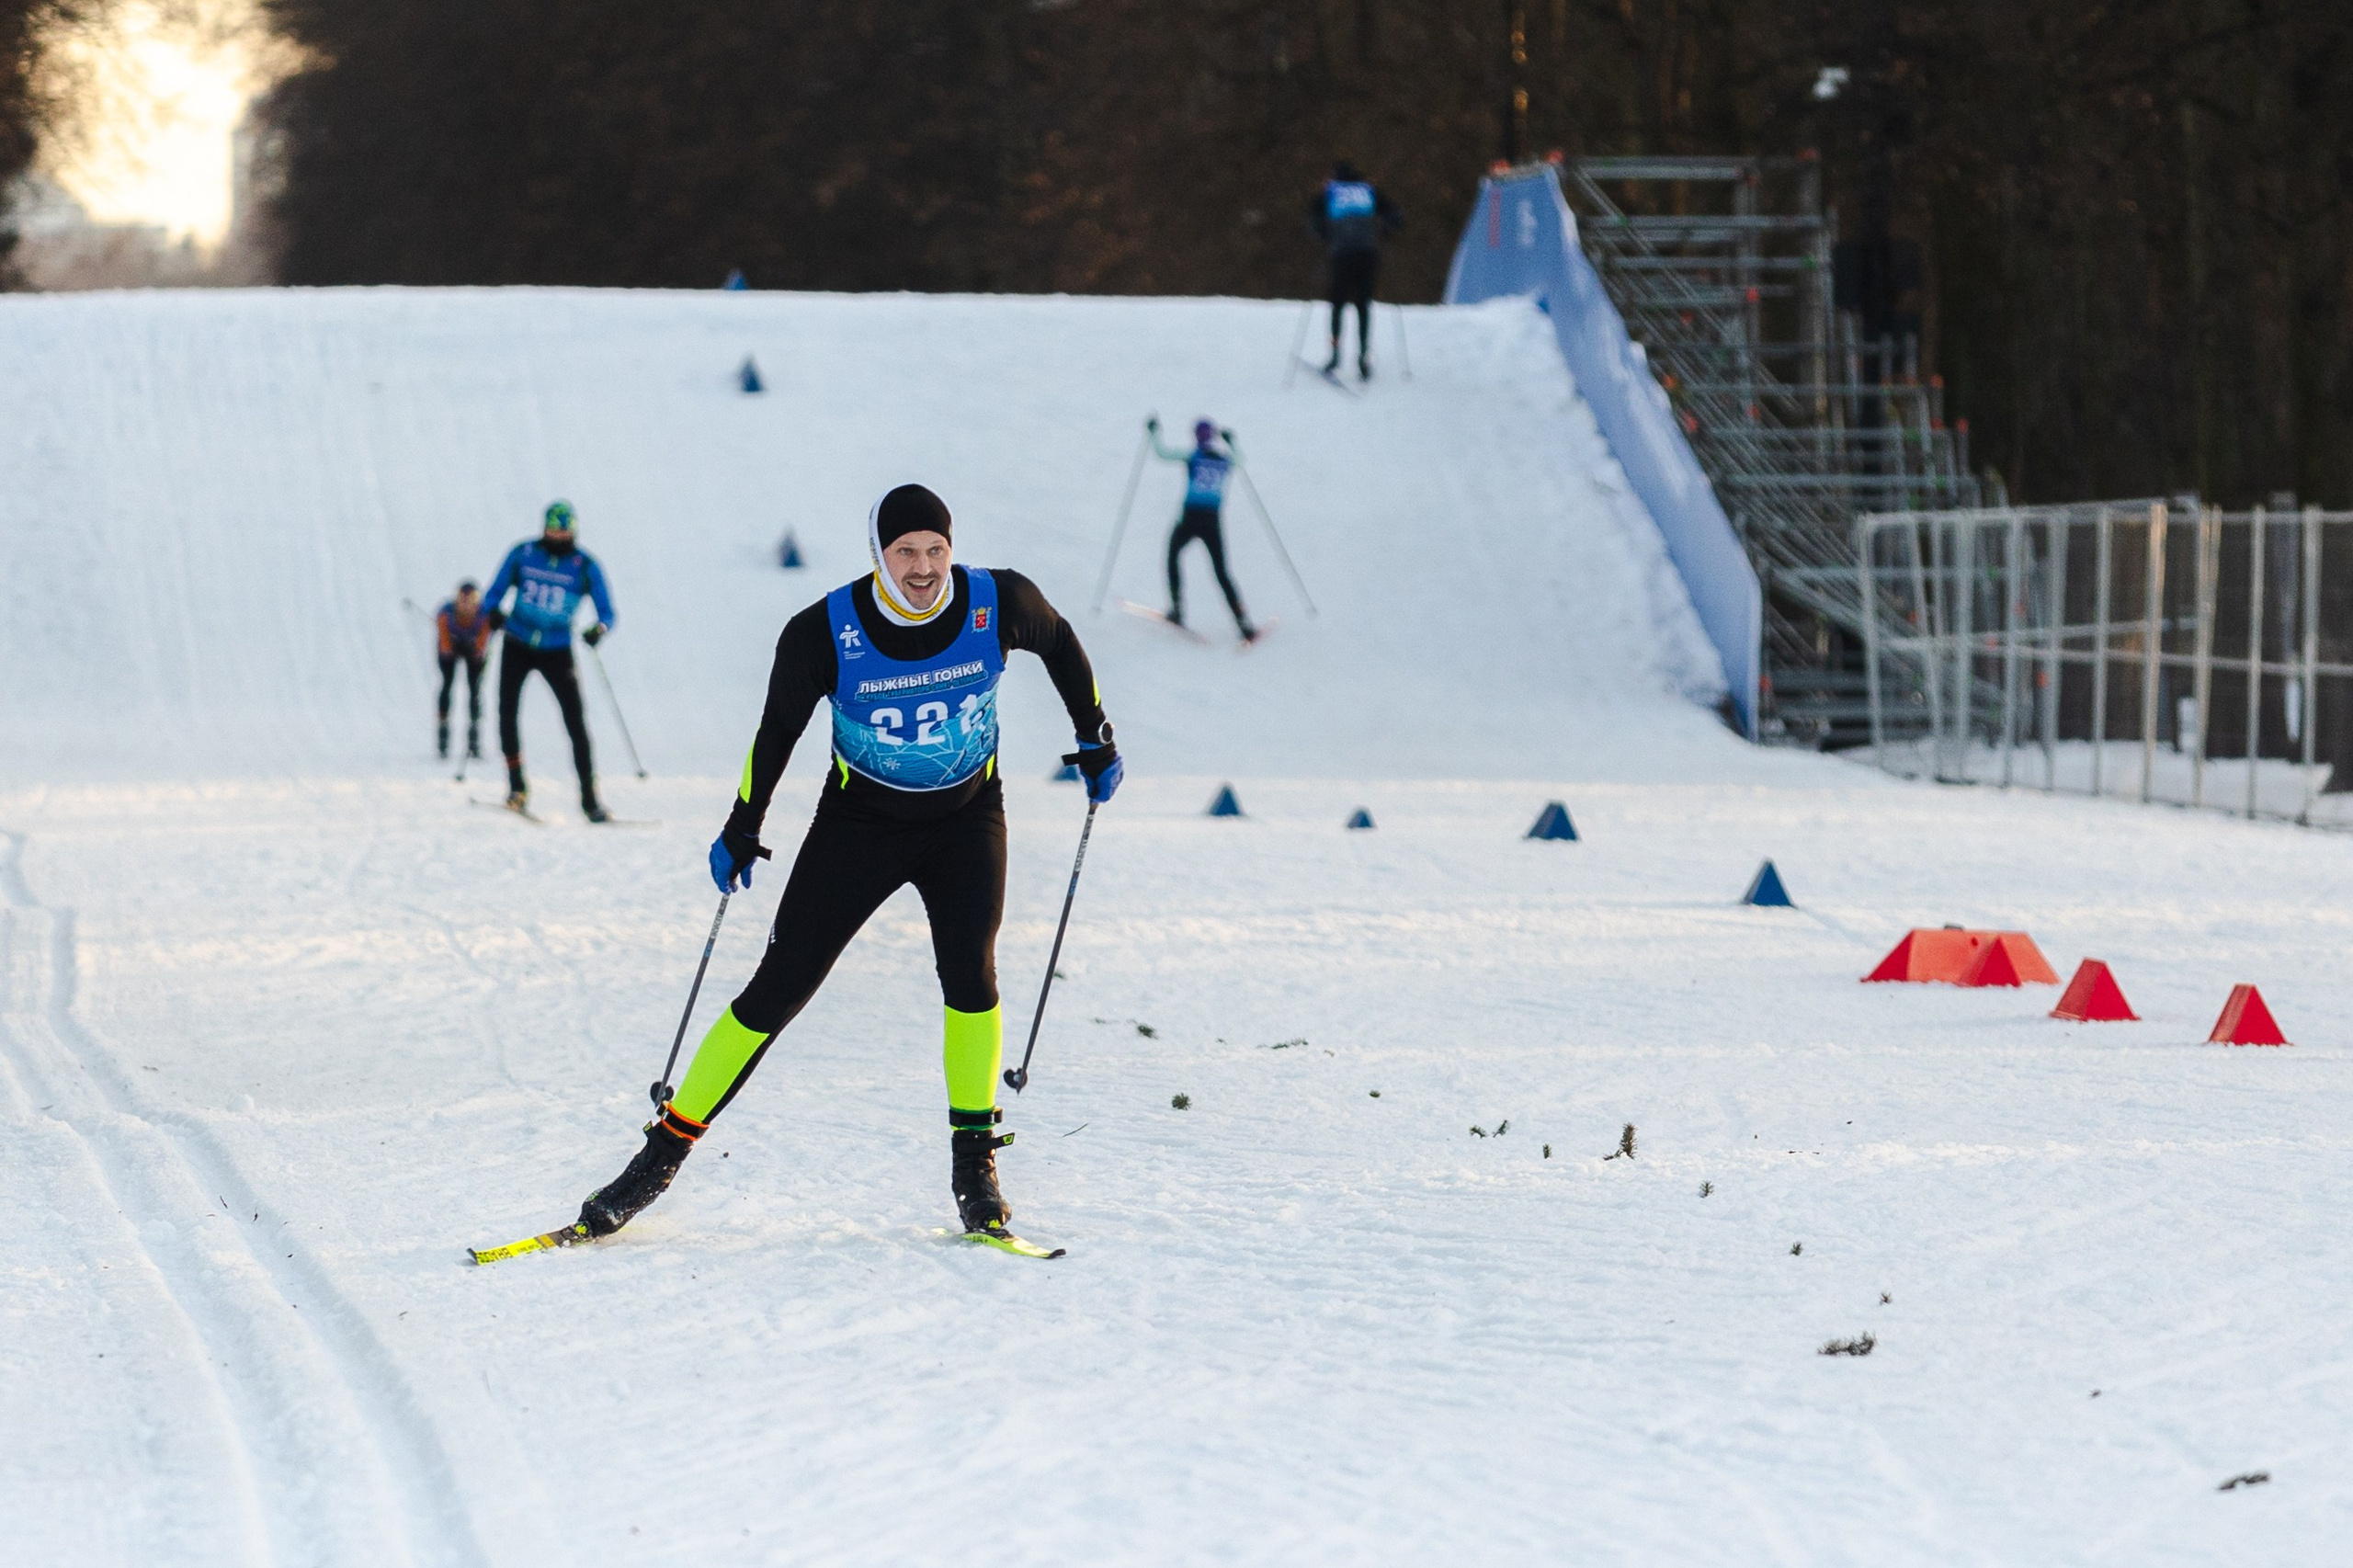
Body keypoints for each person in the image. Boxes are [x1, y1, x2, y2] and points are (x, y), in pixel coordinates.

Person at [573, 483, 1120, 1251]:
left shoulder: (1000, 603)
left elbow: (1059, 642)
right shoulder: (823, 632)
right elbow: (777, 731)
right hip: (859, 826)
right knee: (778, 987)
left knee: (973, 976)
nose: (923, 568)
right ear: (878, 555)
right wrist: (742, 825)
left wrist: (1095, 735)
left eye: (936, 550)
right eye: (905, 552)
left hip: (966, 820)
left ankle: (976, 1169)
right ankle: (656, 1161)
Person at [481, 500, 616, 822]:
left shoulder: (584, 565)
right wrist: (494, 613)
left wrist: (599, 629)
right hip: (518, 642)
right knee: (507, 713)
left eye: (564, 530)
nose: (558, 535)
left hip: (557, 648)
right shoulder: (524, 554)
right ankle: (517, 788)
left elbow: (608, 611)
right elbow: (493, 593)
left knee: (575, 721)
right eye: (553, 529)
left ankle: (590, 799)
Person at [1150, 415, 1258, 642]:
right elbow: (1240, 461)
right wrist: (1232, 442)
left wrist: (1154, 432)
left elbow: (1162, 454)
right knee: (1222, 572)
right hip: (1212, 521)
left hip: (1189, 518)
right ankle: (1243, 623)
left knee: (1173, 556)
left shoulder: (1192, 456)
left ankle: (1177, 609)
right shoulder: (1224, 459)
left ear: (1196, 437)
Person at [1311, 160, 1402, 381]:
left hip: (1342, 253)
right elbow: (1395, 215)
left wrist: (1325, 236)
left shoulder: (1331, 191)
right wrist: (1386, 231)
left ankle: (1335, 355)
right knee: (1363, 305)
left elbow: (1314, 220)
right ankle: (1363, 357)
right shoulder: (1368, 190)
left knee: (1338, 304)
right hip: (1368, 253)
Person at [434, 579, 493, 760]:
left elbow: (482, 646)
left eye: (470, 601)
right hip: (451, 645)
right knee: (447, 683)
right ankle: (443, 735)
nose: (466, 605)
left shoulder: (484, 616)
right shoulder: (446, 614)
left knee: (475, 688)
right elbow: (444, 646)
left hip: (472, 648)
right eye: (462, 600)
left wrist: (477, 650)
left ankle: (474, 738)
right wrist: (450, 647)